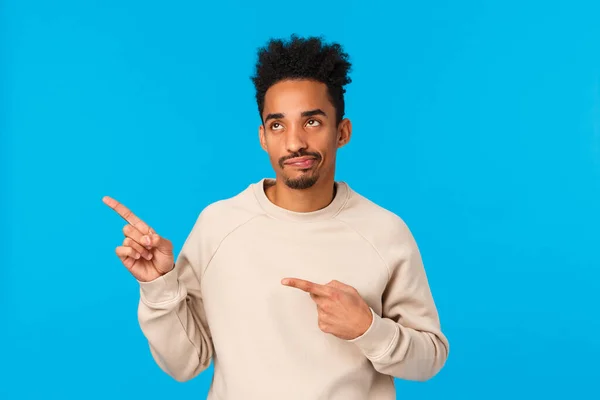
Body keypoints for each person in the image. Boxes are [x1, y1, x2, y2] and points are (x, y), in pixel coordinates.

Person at [103, 34, 449, 400]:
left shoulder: (384, 232)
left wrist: (368, 329)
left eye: (313, 122)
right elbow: (184, 363)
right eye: (278, 125)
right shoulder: (219, 225)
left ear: (342, 132)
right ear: (263, 137)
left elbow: (430, 359)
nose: (295, 142)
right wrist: (159, 285)